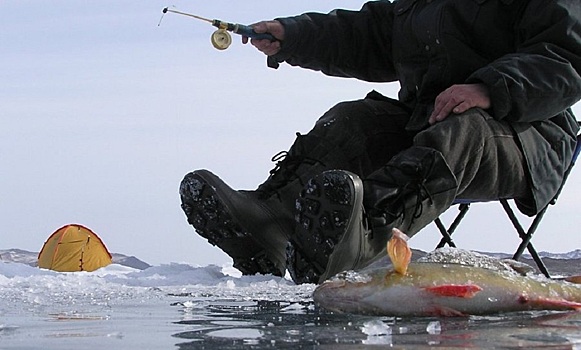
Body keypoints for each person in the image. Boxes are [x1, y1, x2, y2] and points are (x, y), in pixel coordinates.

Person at [179, 0, 581, 284]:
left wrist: (490, 88)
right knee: (354, 120)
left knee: (463, 130)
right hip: (427, 121)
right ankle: (269, 223)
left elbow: (567, 53)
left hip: (525, 132)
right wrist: (296, 36)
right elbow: (370, 35)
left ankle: (360, 232)